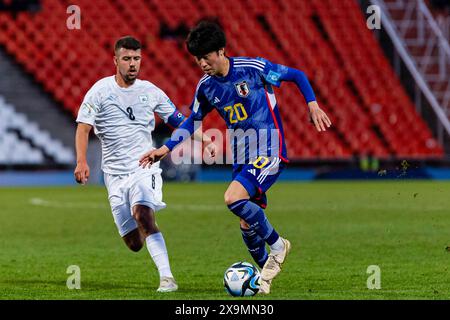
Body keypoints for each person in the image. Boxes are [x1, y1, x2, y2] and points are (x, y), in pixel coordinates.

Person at [139, 21, 332, 294]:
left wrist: (312, 104)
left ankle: (278, 245)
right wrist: (166, 148)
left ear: (221, 51)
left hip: (268, 148)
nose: (202, 63)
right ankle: (263, 279)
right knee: (247, 222)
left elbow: (297, 75)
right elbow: (193, 120)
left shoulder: (253, 69)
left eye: (206, 56)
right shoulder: (205, 87)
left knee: (232, 198)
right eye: (197, 59)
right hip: (242, 155)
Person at [74, 36, 187, 293]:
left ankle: (167, 279)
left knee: (143, 214)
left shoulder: (151, 91)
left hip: (144, 167)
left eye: (136, 58)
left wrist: (206, 140)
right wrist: (81, 160)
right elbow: (83, 129)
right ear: (115, 61)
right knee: (134, 242)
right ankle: (145, 229)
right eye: (127, 59)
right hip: (113, 175)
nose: (132, 64)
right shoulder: (100, 91)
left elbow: (181, 120)